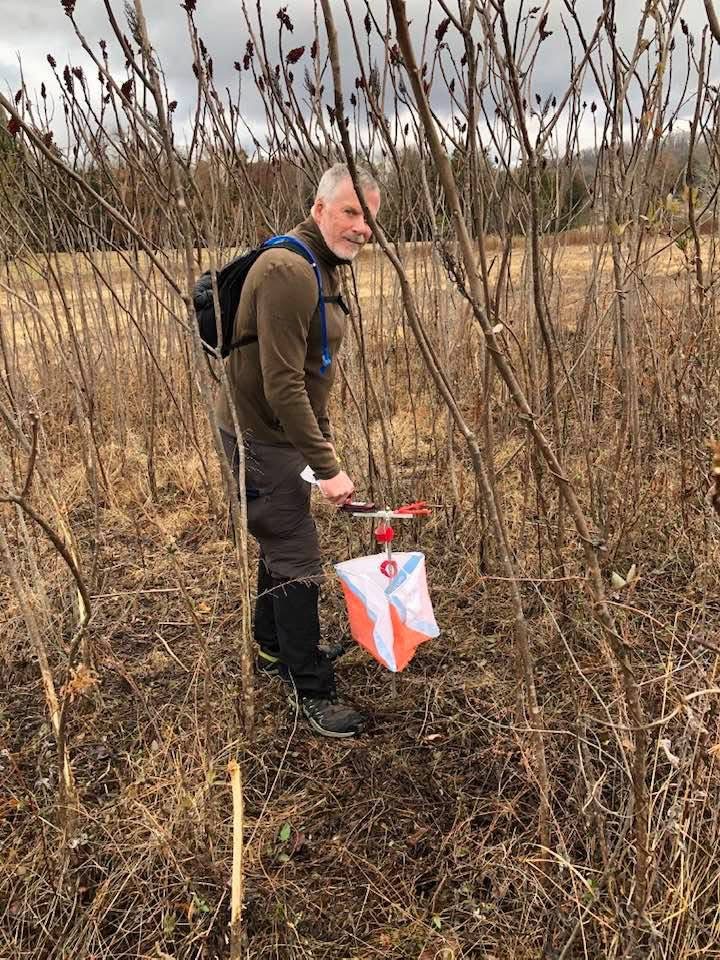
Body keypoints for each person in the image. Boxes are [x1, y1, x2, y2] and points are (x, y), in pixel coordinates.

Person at [216, 163, 381, 738]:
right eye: (351, 212)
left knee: (280, 538)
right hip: (262, 435)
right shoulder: (289, 270)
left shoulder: (322, 264)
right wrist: (329, 467)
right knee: (296, 553)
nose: (362, 228)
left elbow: (309, 371)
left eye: (371, 218)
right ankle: (309, 687)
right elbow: (283, 382)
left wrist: (319, 445)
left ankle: (269, 649)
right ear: (319, 208)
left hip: (282, 433)